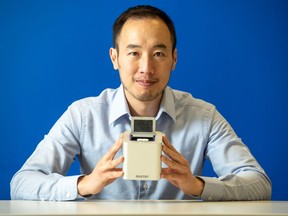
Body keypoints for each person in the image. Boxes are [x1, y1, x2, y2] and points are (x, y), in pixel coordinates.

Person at [10, 5, 271, 201]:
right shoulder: (83, 115)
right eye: (134, 53)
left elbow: (259, 183)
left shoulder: (204, 117)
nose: (146, 68)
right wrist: (84, 185)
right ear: (115, 58)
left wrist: (198, 186)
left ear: (174, 59)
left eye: (158, 54)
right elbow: (21, 184)